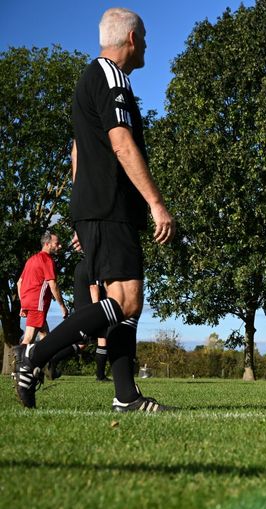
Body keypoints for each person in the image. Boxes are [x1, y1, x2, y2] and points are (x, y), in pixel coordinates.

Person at [15, 7, 176, 412]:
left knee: (128, 299)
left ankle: (126, 396)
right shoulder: (112, 78)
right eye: (147, 39)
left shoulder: (94, 78)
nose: (148, 47)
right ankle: (35, 355)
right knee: (123, 299)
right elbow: (121, 143)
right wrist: (156, 203)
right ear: (133, 39)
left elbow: (77, 150)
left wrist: (80, 208)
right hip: (109, 206)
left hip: (98, 206)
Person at [16, 231, 70, 349]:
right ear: (47, 244)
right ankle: (20, 366)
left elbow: (19, 283)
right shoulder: (47, 260)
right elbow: (53, 285)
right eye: (57, 243)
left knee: (45, 337)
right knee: (28, 338)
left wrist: (23, 304)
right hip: (37, 304)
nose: (60, 246)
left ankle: (42, 366)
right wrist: (62, 306)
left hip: (30, 303)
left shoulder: (31, 260)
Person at [73, 256, 111, 381]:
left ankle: (53, 359)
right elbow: (93, 287)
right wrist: (97, 309)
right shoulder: (92, 266)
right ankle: (100, 376)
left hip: (81, 308)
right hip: (91, 309)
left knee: (83, 343)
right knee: (102, 339)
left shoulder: (79, 265)